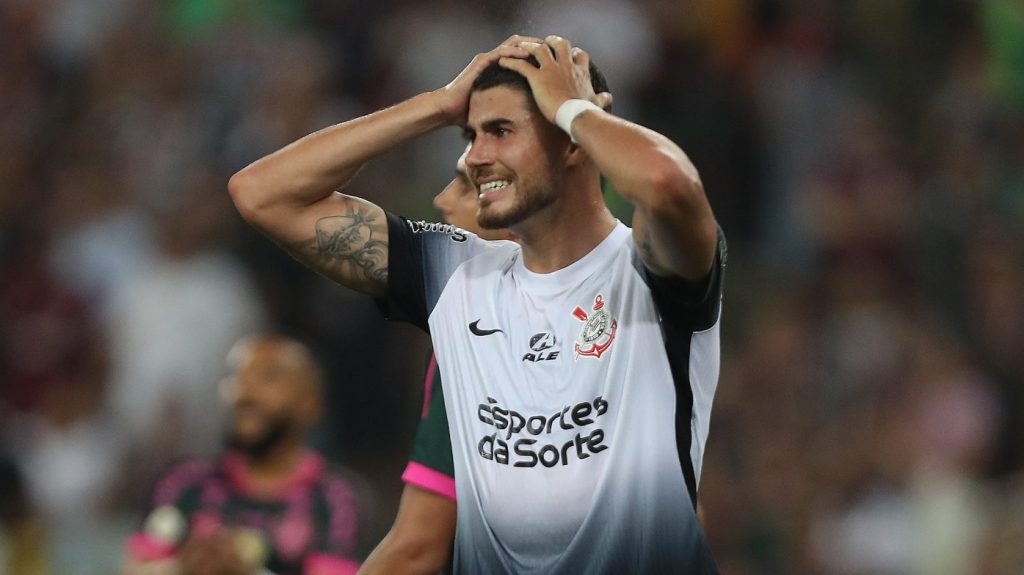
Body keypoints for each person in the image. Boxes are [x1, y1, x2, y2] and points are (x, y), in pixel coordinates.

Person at [229, 34, 724, 574]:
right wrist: (437, 105)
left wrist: (573, 108)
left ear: (574, 140)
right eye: (471, 135)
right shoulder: (456, 274)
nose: (475, 156)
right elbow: (261, 192)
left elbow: (666, 181)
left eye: (501, 131)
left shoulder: (649, 270)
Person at [359, 149, 513, 575]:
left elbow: (416, 548)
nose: (442, 201)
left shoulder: (485, 337)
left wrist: (437, 105)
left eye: (468, 186)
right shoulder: (624, 306)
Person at [122, 335, 363, 575]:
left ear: (310, 404)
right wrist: (182, 568)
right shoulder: (183, 481)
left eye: (269, 378)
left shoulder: (334, 500)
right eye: (238, 376)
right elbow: (136, 568)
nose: (246, 391)